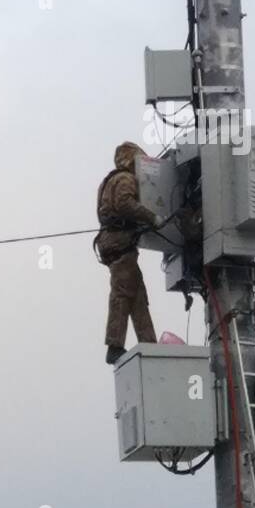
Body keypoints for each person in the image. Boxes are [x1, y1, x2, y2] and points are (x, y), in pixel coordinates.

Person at [95, 142, 159, 364]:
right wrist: (152, 217)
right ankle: (114, 346)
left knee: (136, 294)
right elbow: (124, 204)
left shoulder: (109, 180)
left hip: (116, 244)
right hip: (119, 245)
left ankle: (150, 345)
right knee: (122, 293)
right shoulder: (124, 179)